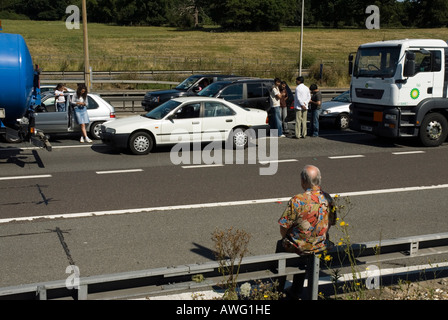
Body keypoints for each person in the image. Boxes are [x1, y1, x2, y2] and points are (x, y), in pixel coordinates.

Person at [276, 165, 336, 298]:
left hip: (300, 248)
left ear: (303, 181)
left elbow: (283, 226)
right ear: (319, 180)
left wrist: (286, 237)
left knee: (284, 244)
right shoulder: (328, 199)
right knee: (305, 245)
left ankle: (278, 288)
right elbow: (330, 223)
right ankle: (296, 289)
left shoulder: (298, 200)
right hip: (321, 246)